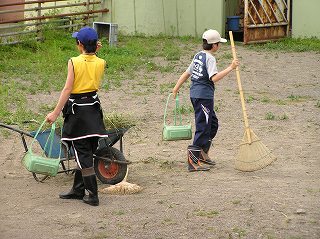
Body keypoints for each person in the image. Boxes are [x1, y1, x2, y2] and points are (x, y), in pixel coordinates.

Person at [46, 27, 107, 206]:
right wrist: (95, 52)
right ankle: (78, 190)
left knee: (83, 155)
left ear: (79, 44)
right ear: (96, 45)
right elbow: (92, 61)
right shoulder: (101, 62)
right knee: (86, 151)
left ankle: (93, 195)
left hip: (78, 113)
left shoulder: (73, 62)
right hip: (94, 111)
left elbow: (67, 89)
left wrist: (55, 112)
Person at [172, 29, 239, 172]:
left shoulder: (198, 55)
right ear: (214, 45)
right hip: (203, 97)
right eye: (218, 44)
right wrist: (231, 68)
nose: (218, 46)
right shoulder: (210, 58)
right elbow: (214, 78)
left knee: (212, 124)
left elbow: (187, 73)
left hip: (196, 95)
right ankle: (193, 161)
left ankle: (202, 153)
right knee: (203, 127)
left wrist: (176, 88)